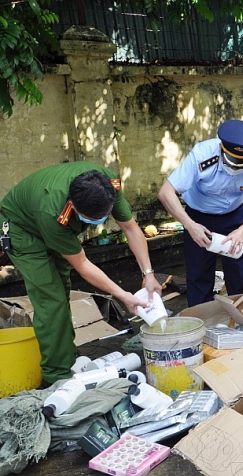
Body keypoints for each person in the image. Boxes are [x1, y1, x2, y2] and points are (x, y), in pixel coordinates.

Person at [0, 163, 162, 387]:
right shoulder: (53, 210)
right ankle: (56, 375)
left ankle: (65, 355)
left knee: (62, 286)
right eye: (88, 218)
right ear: (72, 205)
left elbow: (131, 228)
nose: (96, 223)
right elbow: (83, 265)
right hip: (23, 230)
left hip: (46, 221)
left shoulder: (106, 184)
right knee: (51, 298)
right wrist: (122, 295)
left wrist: (149, 274)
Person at [158, 119, 243, 307]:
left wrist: (242, 231)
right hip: (198, 217)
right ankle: (202, 321)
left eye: (241, 164)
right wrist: (190, 225)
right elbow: (165, 192)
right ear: (221, 148)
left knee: (240, 274)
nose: (235, 167)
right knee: (199, 274)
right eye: (233, 161)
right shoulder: (202, 155)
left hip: (235, 217)